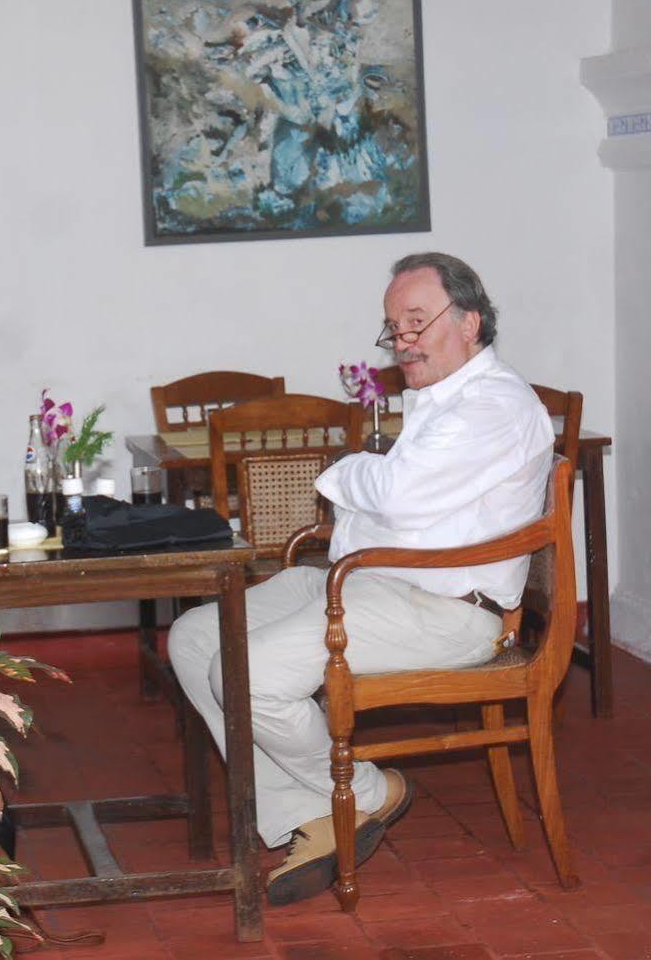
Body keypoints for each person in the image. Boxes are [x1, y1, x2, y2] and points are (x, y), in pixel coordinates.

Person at [167, 252, 555, 906]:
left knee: (250, 675)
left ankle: (371, 793)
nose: (401, 340)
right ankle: (315, 809)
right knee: (196, 638)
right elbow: (399, 504)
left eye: (415, 321)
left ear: (471, 322)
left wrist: (347, 470)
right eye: (392, 327)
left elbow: (395, 497)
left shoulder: (493, 407)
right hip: (371, 582)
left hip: (446, 607)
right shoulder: (442, 401)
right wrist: (369, 489)